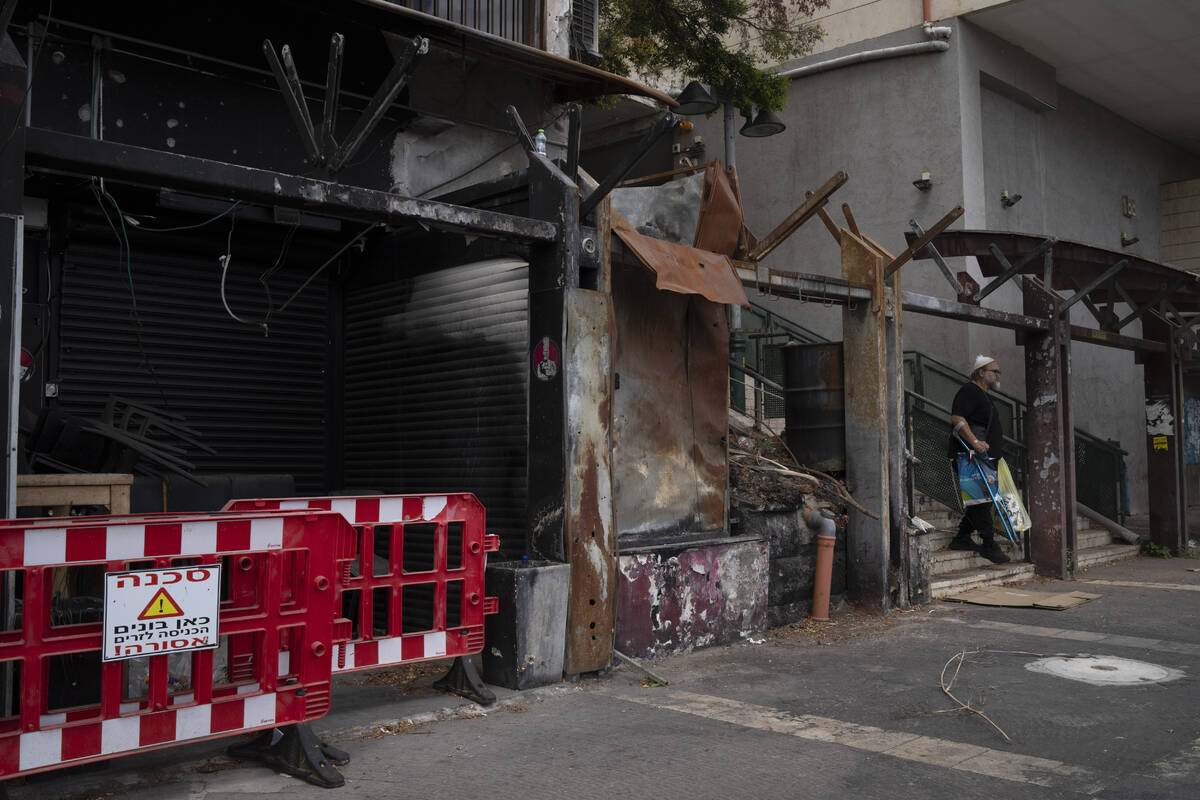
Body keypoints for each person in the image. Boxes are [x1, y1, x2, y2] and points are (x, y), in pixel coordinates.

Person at [946, 355, 1011, 564]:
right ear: (981, 372)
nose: (997, 375)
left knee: (980, 499)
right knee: (982, 499)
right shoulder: (969, 391)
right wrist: (975, 442)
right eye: (994, 371)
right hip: (971, 457)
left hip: (984, 457)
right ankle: (989, 543)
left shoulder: (983, 395)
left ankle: (962, 537)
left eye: (998, 371)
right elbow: (957, 418)